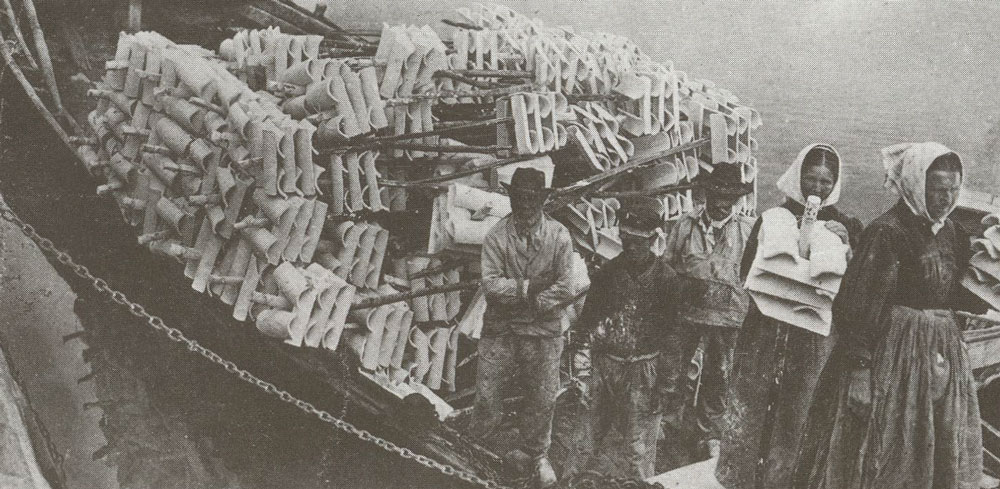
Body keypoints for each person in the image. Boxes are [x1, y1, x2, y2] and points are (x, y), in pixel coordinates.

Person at [793, 142, 988, 489]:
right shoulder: (887, 231)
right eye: (937, 189)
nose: (946, 198)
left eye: (953, 189)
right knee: (880, 446)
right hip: (889, 357)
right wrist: (860, 372)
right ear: (915, 184)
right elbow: (856, 305)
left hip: (940, 356)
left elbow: (954, 293)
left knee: (934, 444)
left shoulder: (954, 233)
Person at [715, 144, 863, 489]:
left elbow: (855, 285)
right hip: (766, 331)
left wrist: (845, 247)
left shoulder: (846, 225)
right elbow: (745, 272)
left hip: (812, 339)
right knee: (753, 407)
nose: (817, 188)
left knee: (799, 413)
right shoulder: (771, 218)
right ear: (798, 176)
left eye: (826, 182)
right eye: (810, 179)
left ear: (835, 184)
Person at [564, 196, 697, 480]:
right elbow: (586, 324)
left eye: (641, 240)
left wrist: (666, 384)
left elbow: (674, 338)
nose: (633, 247)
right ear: (621, 236)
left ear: (653, 239)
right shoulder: (607, 274)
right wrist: (583, 372)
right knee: (584, 441)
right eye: (627, 239)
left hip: (644, 370)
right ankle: (570, 483)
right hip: (605, 366)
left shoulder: (667, 281)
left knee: (638, 450)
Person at [471, 167, 576, 488]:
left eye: (532, 198)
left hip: (544, 329)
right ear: (511, 198)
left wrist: (527, 300)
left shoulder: (559, 236)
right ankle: (478, 450)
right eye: (520, 197)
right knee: (488, 394)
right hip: (501, 328)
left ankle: (536, 455)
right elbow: (490, 285)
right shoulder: (496, 237)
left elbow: (565, 288)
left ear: (542, 200)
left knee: (542, 397)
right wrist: (529, 287)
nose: (526, 205)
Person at [660, 163, 755, 459]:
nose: (721, 202)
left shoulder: (749, 230)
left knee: (720, 375)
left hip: (729, 316)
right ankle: (668, 424)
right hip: (686, 312)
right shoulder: (686, 224)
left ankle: (710, 433)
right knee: (674, 370)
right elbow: (668, 265)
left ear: (737, 199)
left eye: (728, 196)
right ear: (707, 194)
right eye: (716, 194)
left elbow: (755, 275)